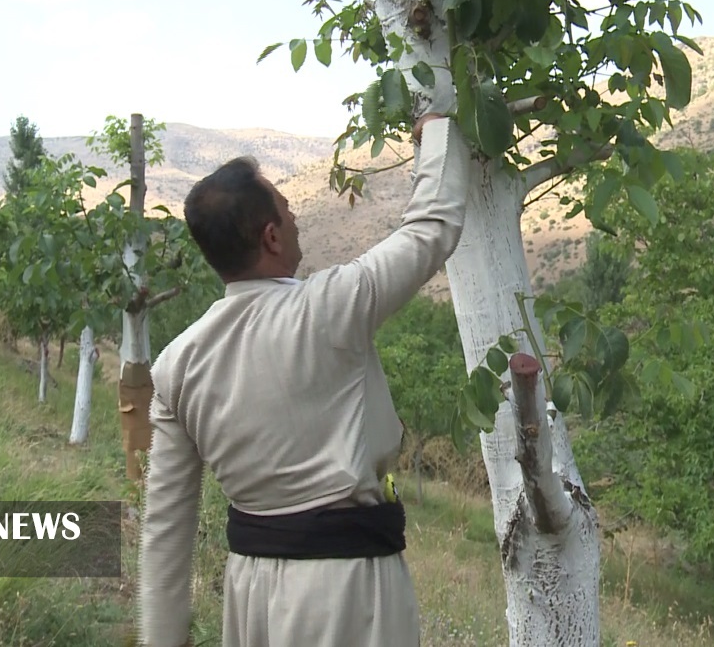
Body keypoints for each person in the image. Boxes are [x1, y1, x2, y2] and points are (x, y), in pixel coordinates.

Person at [138, 113, 470, 647]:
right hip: (349, 590)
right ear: (271, 236)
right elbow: (431, 228)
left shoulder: (177, 364)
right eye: (288, 210)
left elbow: (165, 532)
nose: (296, 218)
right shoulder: (331, 306)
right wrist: (437, 132)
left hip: (249, 594)